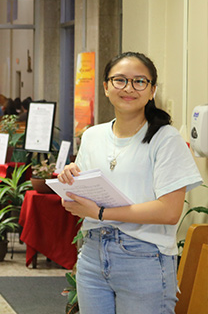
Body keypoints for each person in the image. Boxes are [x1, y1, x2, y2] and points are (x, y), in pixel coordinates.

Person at [57, 52, 203, 314]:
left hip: (144, 258)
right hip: (92, 253)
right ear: (106, 87)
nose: (129, 88)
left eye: (139, 81)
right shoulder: (92, 136)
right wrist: (69, 182)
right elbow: (77, 201)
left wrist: (101, 213)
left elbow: (169, 212)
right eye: (120, 80)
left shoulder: (165, 139)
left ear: (152, 90)